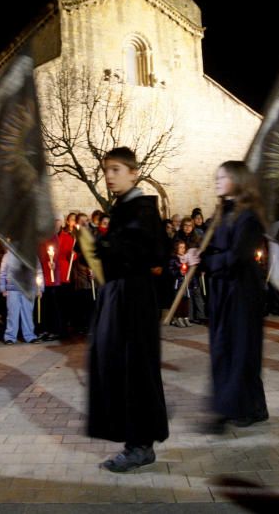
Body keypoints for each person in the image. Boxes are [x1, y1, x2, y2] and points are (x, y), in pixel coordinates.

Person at [88, 147, 168, 472]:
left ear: (134, 173)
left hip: (134, 302)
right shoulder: (124, 208)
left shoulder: (141, 209)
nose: (109, 176)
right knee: (120, 369)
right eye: (106, 170)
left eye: (116, 170)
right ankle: (135, 441)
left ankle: (140, 445)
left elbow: (148, 251)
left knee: (136, 371)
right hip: (121, 299)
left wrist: (105, 246)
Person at [196, 161, 270, 432]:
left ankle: (246, 407)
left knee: (241, 349)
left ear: (238, 180)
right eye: (216, 176)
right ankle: (249, 406)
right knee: (226, 348)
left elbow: (237, 256)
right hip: (222, 290)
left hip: (241, 291)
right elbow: (216, 251)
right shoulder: (221, 214)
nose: (217, 180)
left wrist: (208, 262)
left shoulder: (249, 216)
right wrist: (199, 256)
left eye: (223, 176)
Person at [0, 249, 42, 344]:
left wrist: (40, 288)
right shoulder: (8, 255)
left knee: (28, 312)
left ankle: (29, 335)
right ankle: (10, 336)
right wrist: (3, 288)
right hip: (12, 288)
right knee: (12, 313)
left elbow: (38, 271)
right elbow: (3, 272)